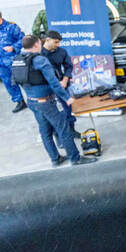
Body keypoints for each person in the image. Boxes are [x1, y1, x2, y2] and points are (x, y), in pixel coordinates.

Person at [12, 35, 96, 166]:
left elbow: (16, 82)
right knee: (63, 129)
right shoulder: (40, 60)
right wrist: (67, 97)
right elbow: (54, 83)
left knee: (45, 132)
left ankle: (55, 159)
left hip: (31, 101)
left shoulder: (17, 60)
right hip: (46, 102)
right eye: (40, 44)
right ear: (35, 45)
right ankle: (75, 159)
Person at [40, 30, 78, 138]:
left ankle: (72, 131)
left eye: (59, 42)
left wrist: (65, 80)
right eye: (55, 42)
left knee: (68, 108)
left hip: (62, 85)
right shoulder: (39, 55)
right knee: (55, 114)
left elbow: (68, 66)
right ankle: (59, 136)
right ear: (47, 40)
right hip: (48, 89)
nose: (58, 45)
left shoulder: (61, 52)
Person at [0, 11, 26, 112]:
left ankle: (35, 99)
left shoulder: (11, 27)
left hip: (13, 60)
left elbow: (23, 39)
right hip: (1, 64)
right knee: (8, 83)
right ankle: (19, 101)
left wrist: (13, 47)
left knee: (23, 80)